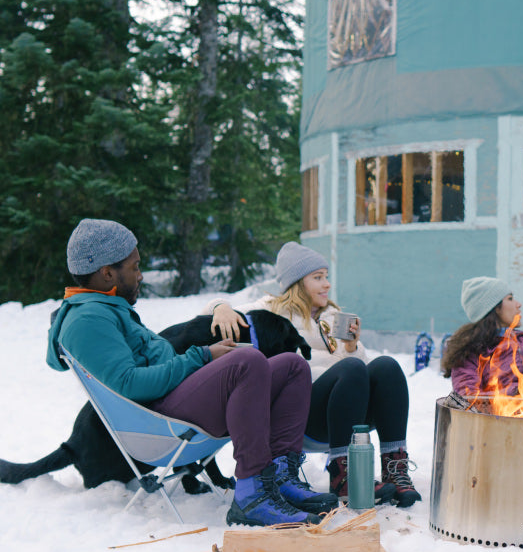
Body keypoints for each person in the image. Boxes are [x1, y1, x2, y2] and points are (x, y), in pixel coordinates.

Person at [46, 219, 336, 527]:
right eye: (135, 266)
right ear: (107, 273)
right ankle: (252, 496)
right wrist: (202, 356)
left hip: (173, 400)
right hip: (160, 420)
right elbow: (130, 384)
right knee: (247, 360)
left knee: (292, 366)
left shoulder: (106, 309)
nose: (141, 274)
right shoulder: (89, 320)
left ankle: (280, 477)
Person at [206, 242, 421, 508]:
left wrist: (351, 347)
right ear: (296, 283)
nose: (327, 284)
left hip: (347, 412)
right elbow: (209, 313)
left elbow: (363, 376)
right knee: (351, 369)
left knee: (387, 366)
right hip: (304, 415)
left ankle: (394, 467)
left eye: (326, 276)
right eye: (318, 277)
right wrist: (220, 307)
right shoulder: (271, 309)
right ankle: (342, 474)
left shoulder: (334, 317)